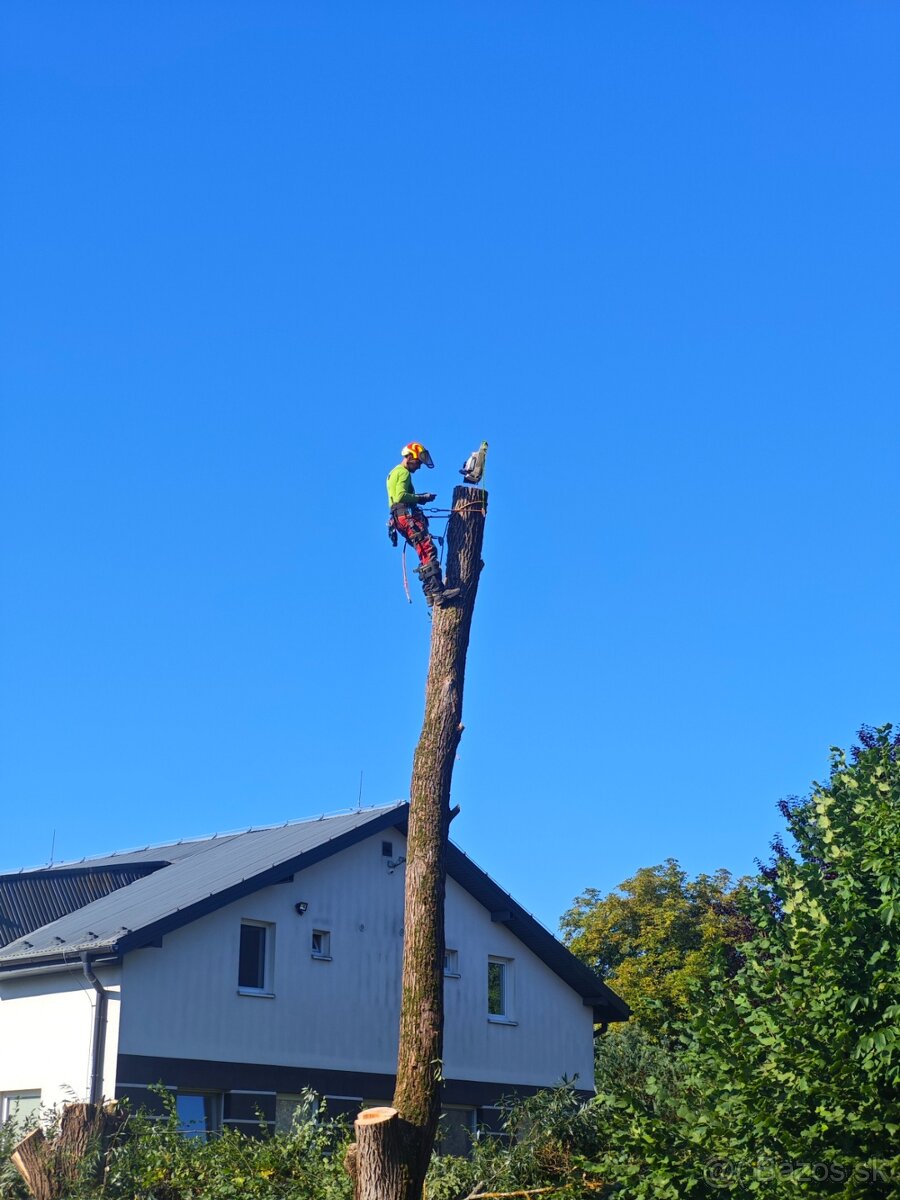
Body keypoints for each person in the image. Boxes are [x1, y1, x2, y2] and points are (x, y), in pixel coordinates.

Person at [386, 443, 460, 607]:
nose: (419, 467)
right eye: (418, 462)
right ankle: (438, 593)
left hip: (399, 519)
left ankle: (430, 594)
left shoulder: (393, 473)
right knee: (428, 550)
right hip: (406, 516)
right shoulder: (403, 473)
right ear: (410, 457)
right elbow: (400, 496)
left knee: (423, 553)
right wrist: (421, 497)